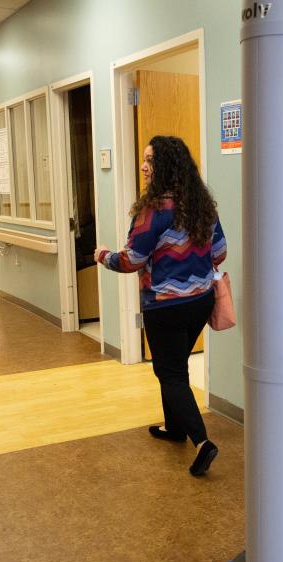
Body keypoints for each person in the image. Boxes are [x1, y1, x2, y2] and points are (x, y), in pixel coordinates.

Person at [95, 136, 227, 476]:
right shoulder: (202, 205)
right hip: (200, 300)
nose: (143, 167)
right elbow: (220, 252)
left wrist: (102, 256)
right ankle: (174, 427)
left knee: (168, 372)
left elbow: (131, 260)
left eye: (149, 160)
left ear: (166, 166)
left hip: (164, 306)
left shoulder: (152, 211)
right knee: (176, 365)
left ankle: (202, 442)